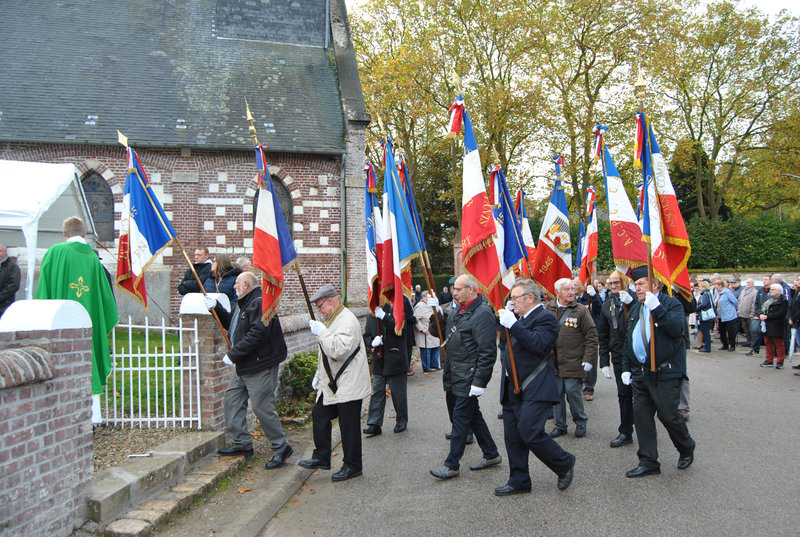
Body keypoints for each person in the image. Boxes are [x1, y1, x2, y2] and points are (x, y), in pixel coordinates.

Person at [495, 278, 575, 496]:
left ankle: (564, 462)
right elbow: (505, 346)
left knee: (529, 432)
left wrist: (514, 324)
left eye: (515, 298)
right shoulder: (516, 318)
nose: (512, 303)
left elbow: (538, 345)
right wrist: (504, 321)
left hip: (536, 385)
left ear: (530, 297)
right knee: (513, 436)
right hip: (513, 387)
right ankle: (519, 480)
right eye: (511, 299)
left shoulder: (545, 318)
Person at [35, 217, 119, 424]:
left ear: (64, 234)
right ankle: (93, 417)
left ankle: (59, 416)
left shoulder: (54, 253)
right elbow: (107, 301)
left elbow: (44, 287)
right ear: (84, 234)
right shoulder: (94, 260)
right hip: (87, 325)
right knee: (89, 363)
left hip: (59, 325)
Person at [208, 272, 293, 469]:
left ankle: (281, 447)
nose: (234, 286)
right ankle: (242, 443)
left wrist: (233, 354)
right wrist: (217, 309)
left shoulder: (261, 302)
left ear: (246, 284)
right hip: (245, 364)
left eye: (237, 283)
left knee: (262, 407)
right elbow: (234, 326)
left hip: (259, 365)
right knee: (232, 399)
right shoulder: (245, 302)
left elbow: (258, 333)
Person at [621, 266, 695, 478]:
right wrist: (626, 368)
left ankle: (686, 447)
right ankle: (648, 461)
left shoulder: (672, 304)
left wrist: (658, 309)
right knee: (642, 418)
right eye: (636, 285)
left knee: (669, 416)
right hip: (641, 373)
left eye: (642, 284)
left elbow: (675, 329)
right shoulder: (636, 308)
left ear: (655, 284)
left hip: (665, 373)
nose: (637, 288)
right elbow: (629, 340)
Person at [430, 275, 501, 480]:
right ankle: (491, 454)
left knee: (461, 420)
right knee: (473, 416)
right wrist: (436, 316)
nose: (454, 292)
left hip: (468, 377)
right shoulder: (456, 310)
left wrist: (480, 382)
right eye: (453, 289)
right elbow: (442, 334)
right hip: (454, 373)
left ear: (471, 289)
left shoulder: (483, 313)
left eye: (458, 289)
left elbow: (487, 352)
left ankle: (451, 465)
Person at [300, 284, 371, 482]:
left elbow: (338, 350)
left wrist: (322, 332)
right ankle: (322, 456)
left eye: (320, 305)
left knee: (349, 427)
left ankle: (353, 465)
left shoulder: (346, 320)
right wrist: (318, 374)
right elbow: (327, 355)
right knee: (319, 414)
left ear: (331, 300)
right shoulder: (333, 318)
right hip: (336, 383)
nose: (319, 310)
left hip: (349, 383)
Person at [545, 278, 597, 439]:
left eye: (573, 289)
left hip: (574, 360)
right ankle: (560, 425)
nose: (571, 292)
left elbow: (591, 336)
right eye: (567, 289)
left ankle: (580, 422)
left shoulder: (580, 310)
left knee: (572, 391)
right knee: (556, 394)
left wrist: (588, 359)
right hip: (554, 361)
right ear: (557, 292)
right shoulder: (548, 309)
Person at [597, 270, 635, 447]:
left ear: (625, 282)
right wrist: (603, 361)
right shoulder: (608, 304)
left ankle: (646, 428)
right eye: (610, 284)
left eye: (616, 283)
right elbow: (603, 335)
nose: (613, 286)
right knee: (624, 395)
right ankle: (626, 431)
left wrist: (633, 303)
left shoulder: (637, 299)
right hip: (619, 357)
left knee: (645, 397)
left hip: (639, 357)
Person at [363, 303, 409, 436]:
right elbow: (366, 335)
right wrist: (372, 342)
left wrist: (384, 317)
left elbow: (400, 330)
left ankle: (401, 420)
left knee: (397, 392)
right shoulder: (371, 315)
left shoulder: (397, 309)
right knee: (377, 391)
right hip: (379, 360)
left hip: (395, 358)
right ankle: (374, 423)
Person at [574, 278, 602, 401]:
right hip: (576, 334)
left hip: (590, 333)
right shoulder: (572, 300)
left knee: (590, 360)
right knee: (576, 360)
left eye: (575, 285)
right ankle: (579, 381)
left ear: (581, 286)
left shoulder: (589, 296)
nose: (573, 288)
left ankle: (589, 388)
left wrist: (594, 296)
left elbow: (599, 309)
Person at [759, 283, 788, 369]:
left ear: (778, 291)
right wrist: (760, 314)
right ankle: (769, 360)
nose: (771, 291)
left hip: (777, 324)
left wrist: (768, 316)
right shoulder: (769, 301)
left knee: (779, 344)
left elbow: (781, 313)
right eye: (770, 289)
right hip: (767, 324)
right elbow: (761, 309)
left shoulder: (783, 301)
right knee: (768, 343)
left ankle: (780, 361)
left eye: (773, 290)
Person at [414, 291, 441, 372]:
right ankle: (427, 367)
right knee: (427, 350)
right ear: (423, 297)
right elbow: (416, 319)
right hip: (425, 332)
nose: (429, 299)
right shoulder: (419, 306)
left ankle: (435, 364)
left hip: (434, 331)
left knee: (436, 348)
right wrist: (422, 328)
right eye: (428, 297)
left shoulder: (432, 305)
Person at [747, 276, 772, 357]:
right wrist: (759, 313)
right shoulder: (760, 290)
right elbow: (757, 304)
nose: (764, 281)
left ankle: (773, 353)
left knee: (770, 335)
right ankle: (755, 349)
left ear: (771, 281)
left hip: (770, 316)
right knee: (757, 333)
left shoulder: (772, 291)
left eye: (766, 279)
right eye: (763, 279)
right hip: (760, 316)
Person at [714, 280, 738, 351]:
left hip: (729, 315)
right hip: (720, 315)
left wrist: (734, 310)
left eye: (716, 285)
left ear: (721, 285)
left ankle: (732, 345)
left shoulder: (727, 292)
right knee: (722, 331)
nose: (715, 287)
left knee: (730, 331)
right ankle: (725, 344)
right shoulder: (717, 293)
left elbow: (735, 301)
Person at [0, 244, 21, 317]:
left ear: (5, 252)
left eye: (0, 251)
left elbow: (13, 286)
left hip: (4, 307)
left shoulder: (13, 267)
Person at [737, 279, 758, 349]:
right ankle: (748, 341)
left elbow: (754, 303)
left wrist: (752, 313)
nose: (748, 284)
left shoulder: (755, 292)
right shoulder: (743, 291)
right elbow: (739, 300)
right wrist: (739, 309)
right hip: (742, 313)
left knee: (751, 329)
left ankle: (753, 342)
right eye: (747, 282)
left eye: (749, 282)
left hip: (749, 314)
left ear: (752, 284)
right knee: (745, 328)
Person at [695, 281, 714, 353]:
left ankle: (707, 347)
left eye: (700, 286)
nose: (699, 288)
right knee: (705, 331)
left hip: (705, 315)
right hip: (704, 315)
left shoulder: (705, 294)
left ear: (704, 287)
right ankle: (706, 346)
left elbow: (704, 304)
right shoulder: (706, 293)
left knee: (705, 331)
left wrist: (696, 309)